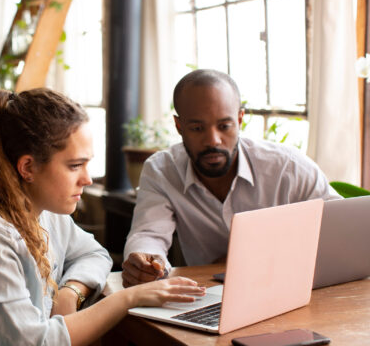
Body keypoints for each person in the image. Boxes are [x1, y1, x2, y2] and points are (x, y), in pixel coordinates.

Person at [0, 88, 205, 346]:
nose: (87, 179)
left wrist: (69, 292)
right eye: (75, 166)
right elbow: (35, 343)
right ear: (28, 167)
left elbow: (93, 253)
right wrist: (127, 298)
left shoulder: (42, 212)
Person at [122, 69, 341, 288]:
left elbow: (341, 229)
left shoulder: (289, 168)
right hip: (207, 294)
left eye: (224, 126)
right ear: (180, 127)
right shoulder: (161, 171)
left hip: (287, 286)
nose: (213, 140)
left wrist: (244, 260)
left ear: (239, 120)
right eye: (197, 128)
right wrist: (147, 262)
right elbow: (149, 234)